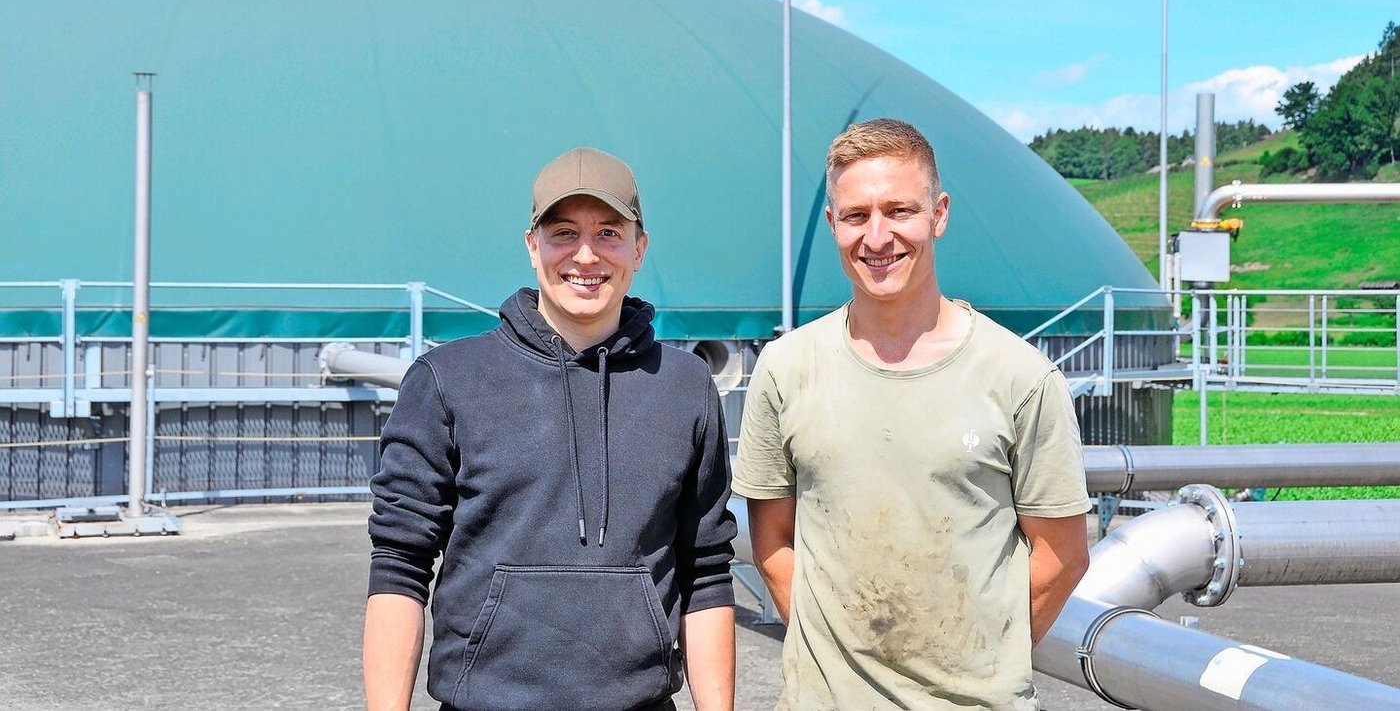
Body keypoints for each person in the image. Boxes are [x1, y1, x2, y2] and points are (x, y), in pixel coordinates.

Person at [733, 118, 1090, 710]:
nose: (877, 237)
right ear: (832, 224)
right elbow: (772, 540)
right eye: (856, 216)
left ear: (938, 214)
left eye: (899, 211)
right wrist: (840, 663)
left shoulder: (1019, 377)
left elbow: (1062, 556)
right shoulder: (787, 368)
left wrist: (977, 662)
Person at [365, 147, 737, 711]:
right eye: (564, 232)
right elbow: (400, 564)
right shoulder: (447, 379)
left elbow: (705, 571)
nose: (586, 255)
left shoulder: (685, 386)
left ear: (639, 248)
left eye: (608, 233)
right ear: (532, 244)